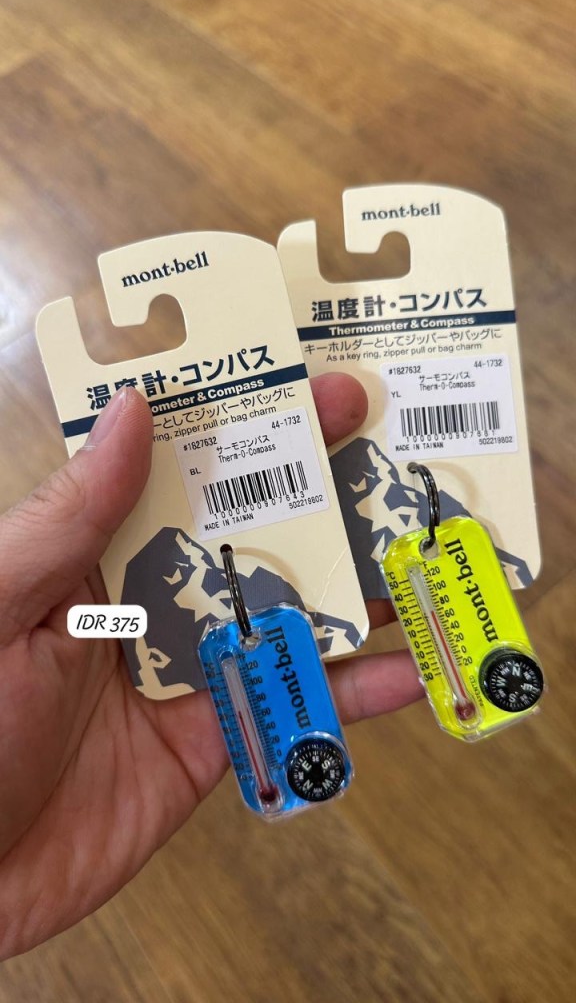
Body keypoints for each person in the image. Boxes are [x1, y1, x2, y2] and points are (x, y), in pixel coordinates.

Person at [0, 375, 422, 959]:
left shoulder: (250, 597)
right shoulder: (128, 631)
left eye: (194, 565)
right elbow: (98, 624)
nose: (199, 574)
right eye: (180, 573)